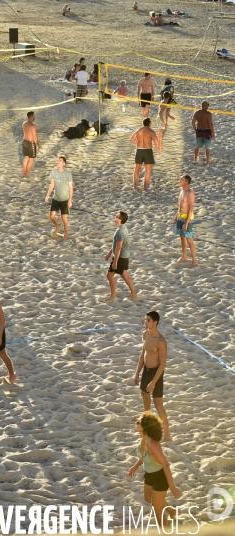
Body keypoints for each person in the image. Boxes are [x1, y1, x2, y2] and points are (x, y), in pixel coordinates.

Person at [128, 412, 180, 528]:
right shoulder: (143, 440)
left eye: (141, 431)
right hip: (149, 475)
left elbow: (166, 464)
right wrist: (136, 466)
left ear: (148, 430)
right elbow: (145, 457)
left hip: (160, 478)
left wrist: (172, 486)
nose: (139, 434)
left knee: (156, 509)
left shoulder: (153, 444)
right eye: (138, 431)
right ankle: (171, 511)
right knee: (148, 499)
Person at [134, 312, 171, 441]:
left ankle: (167, 435)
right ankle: (147, 426)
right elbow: (142, 355)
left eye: (148, 320)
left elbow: (163, 364)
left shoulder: (161, 341)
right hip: (146, 370)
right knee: (144, 395)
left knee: (158, 403)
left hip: (156, 372)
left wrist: (154, 381)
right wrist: (137, 373)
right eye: (145, 320)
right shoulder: (145, 335)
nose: (146, 322)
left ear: (155, 322)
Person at [104, 210, 137, 300]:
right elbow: (115, 245)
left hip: (121, 256)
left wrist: (115, 262)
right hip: (123, 255)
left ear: (120, 220)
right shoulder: (122, 227)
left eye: (117, 216)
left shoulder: (120, 231)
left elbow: (119, 247)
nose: (115, 217)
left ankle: (112, 295)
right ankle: (134, 293)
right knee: (124, 275)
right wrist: (109, 254)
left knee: (109, 275)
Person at [45, 155, 73, 240]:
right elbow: (52, 184)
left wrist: (70, 201)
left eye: (60, 160)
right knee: (52, 215)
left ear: (64, 163)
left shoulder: (68, 174)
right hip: (55, 198)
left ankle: (66, 233)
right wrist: (47, 195)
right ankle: (57, 227)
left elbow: (71, 188)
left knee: (63, 217)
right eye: (57, 160)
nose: (58, 161)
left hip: (65, 199)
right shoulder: (53, 172)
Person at [130, 118, 160, 191]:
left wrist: (138, 142)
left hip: (139, 150)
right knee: (148, 170)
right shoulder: (151, 132)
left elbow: (131, 139)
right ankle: (145, 187)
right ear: (149, 123)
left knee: (137, 169)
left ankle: (135, 186)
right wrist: (158, 150)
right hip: (148, 151)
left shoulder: (139, 130)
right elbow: (156, 142)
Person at [174, 174, 197, 266]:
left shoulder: (190, 193)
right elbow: (180, 205)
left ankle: (194, 260)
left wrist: (186, 224)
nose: (179, 180)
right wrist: (176, 216)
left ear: (186, 182)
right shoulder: (182, 190)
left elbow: (190, 209)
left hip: (187, 219)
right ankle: (184, 256)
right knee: (182, 237)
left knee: (189, 239)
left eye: (182, 179)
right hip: (180, 217)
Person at [22, 111, 39, 178]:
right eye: (34, 116)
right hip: (30, 143)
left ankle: (24, 173)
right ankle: (27, 174)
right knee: (31, 159)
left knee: (26, 158)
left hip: (24, 142)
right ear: (32, 117)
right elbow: (35, 137)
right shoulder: (33, 126)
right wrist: (37, 145)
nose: (34, 117)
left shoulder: (24, 123)